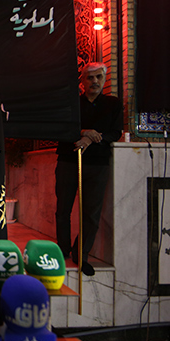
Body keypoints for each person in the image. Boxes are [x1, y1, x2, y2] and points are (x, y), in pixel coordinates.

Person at [54, 62, 123, 276]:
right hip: (68, 161)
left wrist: (91, 139)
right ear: (82, 81)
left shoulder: (113, 104)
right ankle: (62, 249)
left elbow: (115, 132)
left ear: (104, 79)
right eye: (90, 77)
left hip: (97, 164)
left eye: (98, 77)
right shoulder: (71, 103)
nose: (94, 81)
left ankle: (81, 254)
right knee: (63, 208)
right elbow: (61, 128)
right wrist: (83, 132)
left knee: (91, 213)